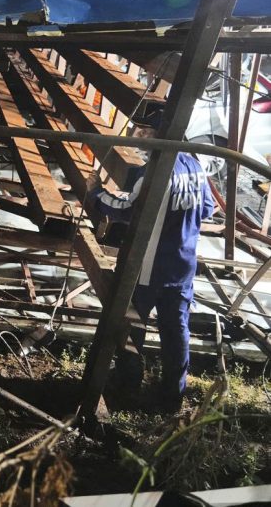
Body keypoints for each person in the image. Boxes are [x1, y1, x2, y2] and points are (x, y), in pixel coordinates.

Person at [88, 147, 214, 412]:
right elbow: (206, 209)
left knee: (131, 325)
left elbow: (129, 209)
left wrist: (96, 193)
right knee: (176, 330)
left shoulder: (155, 173)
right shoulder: (195, 168)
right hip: (181, 267)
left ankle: (128, 384)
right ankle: (172, 396)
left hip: (148, 269)